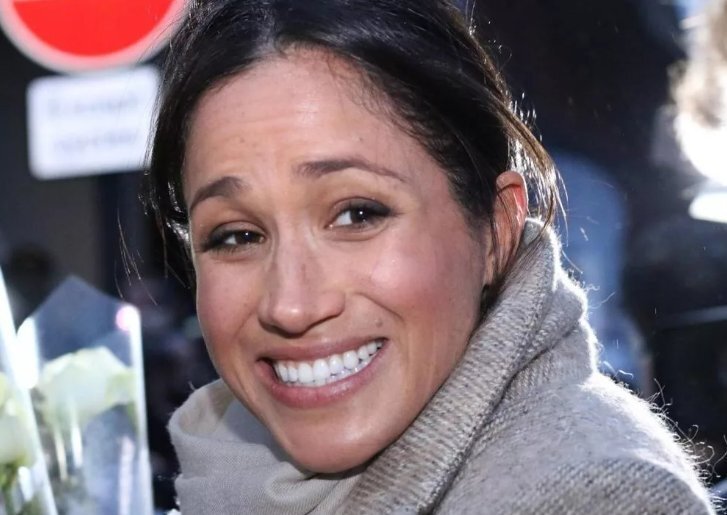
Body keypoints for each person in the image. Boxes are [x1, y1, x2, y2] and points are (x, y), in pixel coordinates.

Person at [145, 0, 717, 512]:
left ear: (496, 230)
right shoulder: (229, 471)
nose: (290, 306)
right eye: (237, 236)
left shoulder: (591, 495)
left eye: (358, 214)